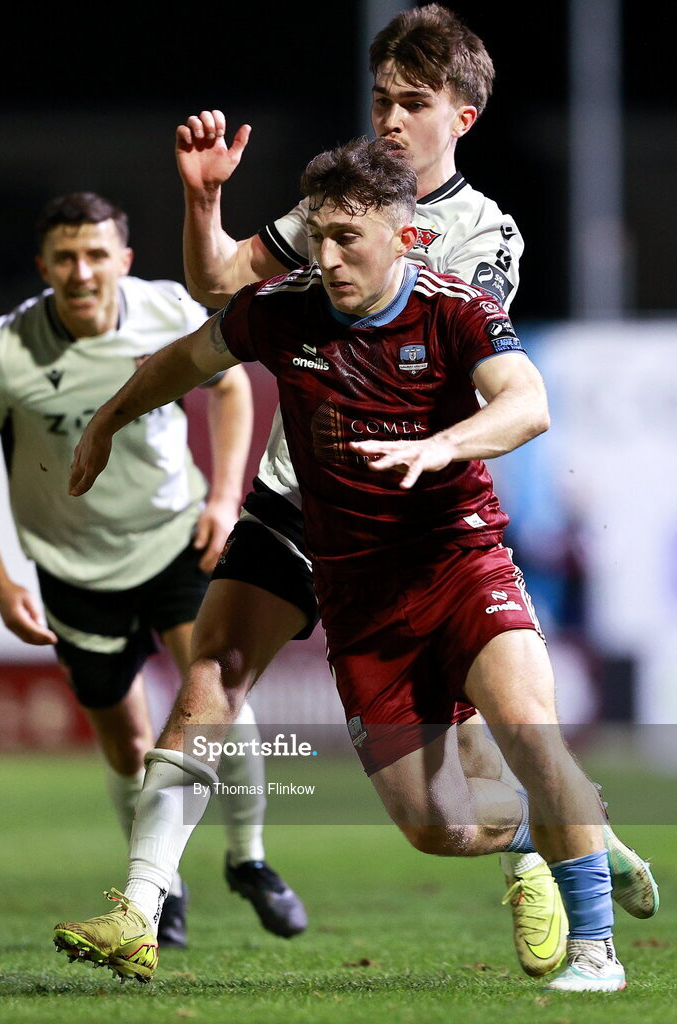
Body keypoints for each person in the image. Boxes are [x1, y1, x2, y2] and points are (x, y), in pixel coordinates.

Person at [57, 138, 659, 994]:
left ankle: (597, 956)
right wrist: (106, 421)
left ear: (406, 237)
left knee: (528, 731)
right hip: (357, 594)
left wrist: (442, 445)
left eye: (350, 238)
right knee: (434, 827)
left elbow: (527, 402)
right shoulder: (283, 309)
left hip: (460, 561)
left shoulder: (456, 311)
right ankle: (566, 825)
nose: (331, 258)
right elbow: (185, 360)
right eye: (321, 236)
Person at [166, 2, 560, 976]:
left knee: (449, 781)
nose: (389, 118)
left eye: (412, 102)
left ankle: (552, 846)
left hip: (404, 522)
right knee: (212, 666)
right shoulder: (327, 211)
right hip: (294, 492)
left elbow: (470, 375)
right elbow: (219, 283)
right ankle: (143, 897)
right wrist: (205, 203)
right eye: (380, 98)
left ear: (461, 115)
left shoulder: (482, 236)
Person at [0, 191, 306, 949]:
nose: (82, 272)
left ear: (124, 261)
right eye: (66, 258)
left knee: (221, 708)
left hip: (174, 540)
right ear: (44, 267)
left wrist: (224, 499)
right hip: (73, 571)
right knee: (127, 745)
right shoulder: (6, 352)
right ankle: (160, 890)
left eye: (97, 254)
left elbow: (232, 383)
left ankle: (250, 859)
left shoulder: (166, 311)